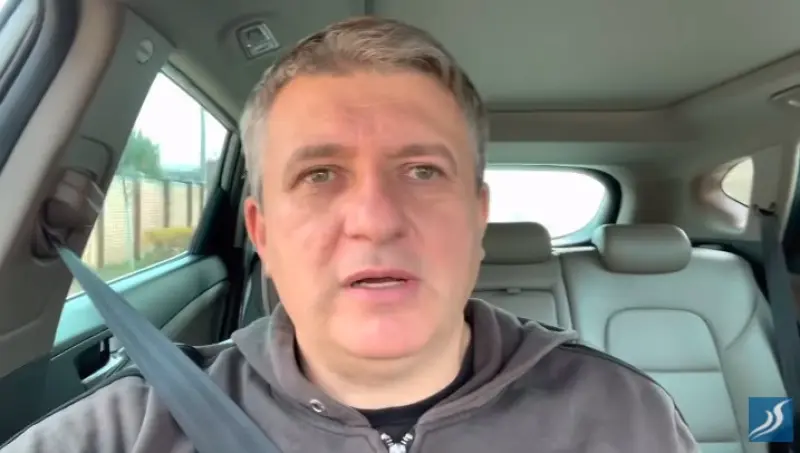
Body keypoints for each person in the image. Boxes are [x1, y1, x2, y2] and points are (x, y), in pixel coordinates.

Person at [1, 16, 699, 453]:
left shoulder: (626, 417)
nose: (375, 218)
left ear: (477, 218)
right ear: (262, 233)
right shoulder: (126, 432)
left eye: (422, 171)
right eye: (320, 174)